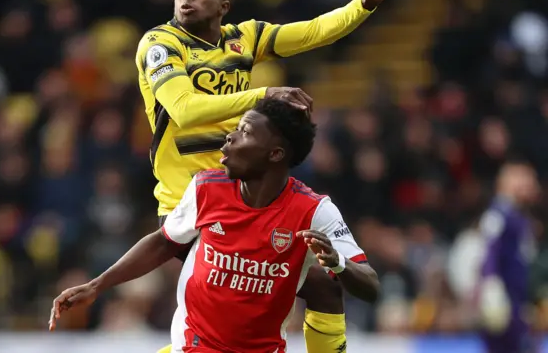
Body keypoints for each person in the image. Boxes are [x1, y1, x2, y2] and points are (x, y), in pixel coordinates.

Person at [135, 0, 390, 352]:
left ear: (224, 5)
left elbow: (314, 30)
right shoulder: (161, 45)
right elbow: (184, 109)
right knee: (251, 303)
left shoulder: (246, 37)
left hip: (242, 199)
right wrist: (263, 95)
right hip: (188, 204)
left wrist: (364, 5)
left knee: (322, 287)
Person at [49, 98, 379, 352]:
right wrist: (97, 285)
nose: (230, 138)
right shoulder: (208, 187)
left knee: (324, 284)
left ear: (275, 154)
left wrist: (337, 262)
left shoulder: (314, 211)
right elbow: (165, 241)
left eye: (246, 132)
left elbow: (369, 285)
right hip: (193, 345)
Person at [478, 160, 539, 353]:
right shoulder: (498, 214)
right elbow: (489, 249)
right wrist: (491, 284)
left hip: (516, 301)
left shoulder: (517, 216)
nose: (531, 183)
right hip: (503, 302)